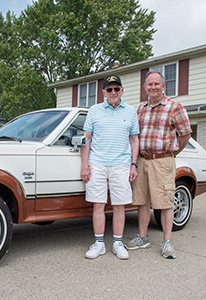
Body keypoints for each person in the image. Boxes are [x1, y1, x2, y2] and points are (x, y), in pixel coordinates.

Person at [126, 71, 192, 259]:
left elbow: (185, 134)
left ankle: (167, 242)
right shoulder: (140, 109)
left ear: (163, 86)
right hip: (142, 160)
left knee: (165, 202)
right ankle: (142, 237)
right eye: (150, 84)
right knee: (142, 201)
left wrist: (172, 153)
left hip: (163, 161)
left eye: (157, 84)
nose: (153, 87)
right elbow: (134, 136)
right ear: (145, 87)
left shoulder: (174, 107)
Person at [81, 75, 139, 260]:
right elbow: (86, 139)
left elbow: (134, 139)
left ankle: (117, 243)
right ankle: (99, 244)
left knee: (119, 206)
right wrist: (85, 166)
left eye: (116, 88)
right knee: (98, 205)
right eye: (109, 89)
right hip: (97, 164)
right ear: (103, 92)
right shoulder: (94, 110)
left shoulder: (130, 111)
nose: (113, 92)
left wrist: (133, 164)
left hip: (121, 165)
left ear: (122, 90)